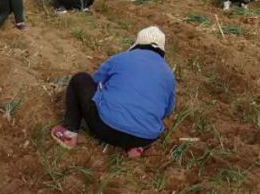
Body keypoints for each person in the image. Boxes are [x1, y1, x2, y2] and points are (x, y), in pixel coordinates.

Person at [51, 26, 175, 158]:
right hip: (146, 138)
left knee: (80, 79)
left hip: (105, 127)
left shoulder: (121, 58)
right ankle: (134, 147)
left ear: (138, 43)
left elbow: (95, 81)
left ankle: (69, 133)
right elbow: (167, 110)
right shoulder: (169, 75)